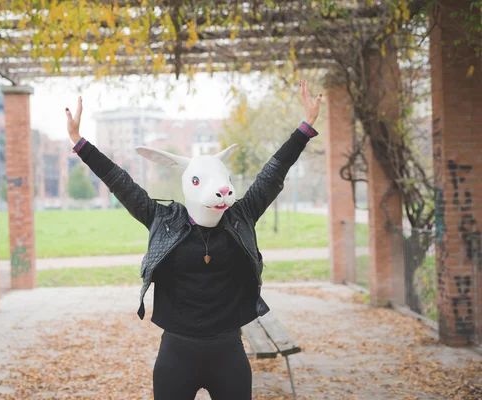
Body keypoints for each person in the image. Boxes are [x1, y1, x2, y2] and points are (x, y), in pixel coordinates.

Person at [65, 80, 322, 400]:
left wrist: (305, 127)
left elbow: (273, 173)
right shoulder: (162, 220)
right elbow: (120, 182)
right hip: (176, 355)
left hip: (228, 353)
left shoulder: (241, 215)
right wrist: (79, 141)